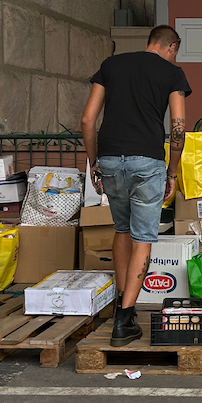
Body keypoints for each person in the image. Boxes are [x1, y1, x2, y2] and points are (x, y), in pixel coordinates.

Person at [80, 25, 192, 347]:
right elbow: (178, 128)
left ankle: (121, 300)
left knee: (122, 230)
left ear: (149, 42)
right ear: (171, 47)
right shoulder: (172, 74)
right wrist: (172, 172)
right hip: (147, 162)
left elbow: (87, 120)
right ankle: (124, 319)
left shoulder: (111, 65)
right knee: (143, 238)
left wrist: (94, 162)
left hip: (110, 159)